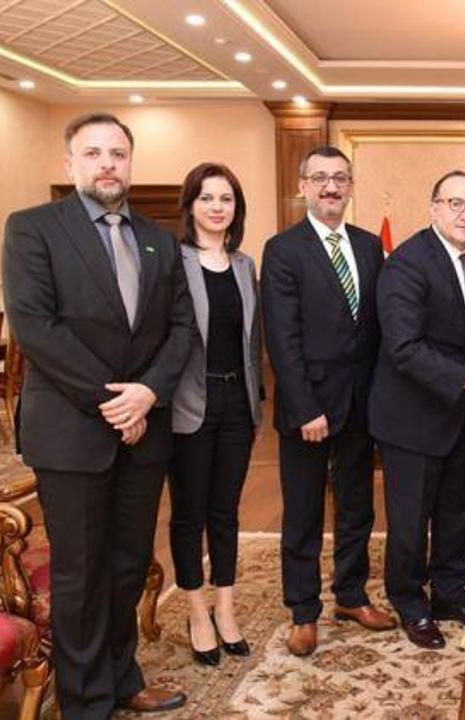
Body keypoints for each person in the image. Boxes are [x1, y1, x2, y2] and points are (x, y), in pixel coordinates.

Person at [2, 112, 193, 717]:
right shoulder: (33, 229)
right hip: (72, 431)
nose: (107, 164)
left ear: (131, 164)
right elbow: (36, 328)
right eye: (93, 153)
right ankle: (85, 701)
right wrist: (116, 401)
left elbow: (182, 329)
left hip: (144, 431)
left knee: (128, 565)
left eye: (117, 154)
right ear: (70, 163)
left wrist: (148, 394)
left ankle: (121, 676)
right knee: (80, 574)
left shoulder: (160, 239)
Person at [260, 146, 393, 658]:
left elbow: (375, 328)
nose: (331, 187)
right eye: (320, 178)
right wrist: (305, 407)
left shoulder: (368, 246)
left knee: (357, 507)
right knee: (304, 513)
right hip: (308, 409)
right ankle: (303, 611)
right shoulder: (283, 249)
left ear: (351, 187)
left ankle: (351, 596)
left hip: (362, 405)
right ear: (303, 187)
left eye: (340, 178)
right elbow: (282, 338)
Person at [368, 170, 465, 649]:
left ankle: (449, 592)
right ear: (434, 209)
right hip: (410, 418)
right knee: (410, 522)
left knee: (456, 512)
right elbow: (403, 347)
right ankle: (410, 602)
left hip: (456, 415)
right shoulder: (406, 264)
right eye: (456, 204)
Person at [168, 162, 262, 666]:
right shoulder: (173, 262)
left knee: (226, 511)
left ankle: (225, 608)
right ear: (190, 206)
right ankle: (196, 611)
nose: (217, 207)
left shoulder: (245, 266)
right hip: (190, 404)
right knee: (190, 513)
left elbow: (251, 341)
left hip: (237, 406)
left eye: (226, 198)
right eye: (206, 198)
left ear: (236, 208)